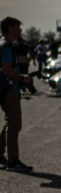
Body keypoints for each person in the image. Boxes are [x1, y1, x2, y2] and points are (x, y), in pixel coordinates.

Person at [0, 17, 33, 171]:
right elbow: (6, 69)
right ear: (10, 28)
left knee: (10, 123)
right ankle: (13, 161)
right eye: (17, 27)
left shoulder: (4, 44)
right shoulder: (6, 47)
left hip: (8, 89)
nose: (20, 30)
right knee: (14, 125)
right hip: (9, 90)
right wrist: (21, 78)